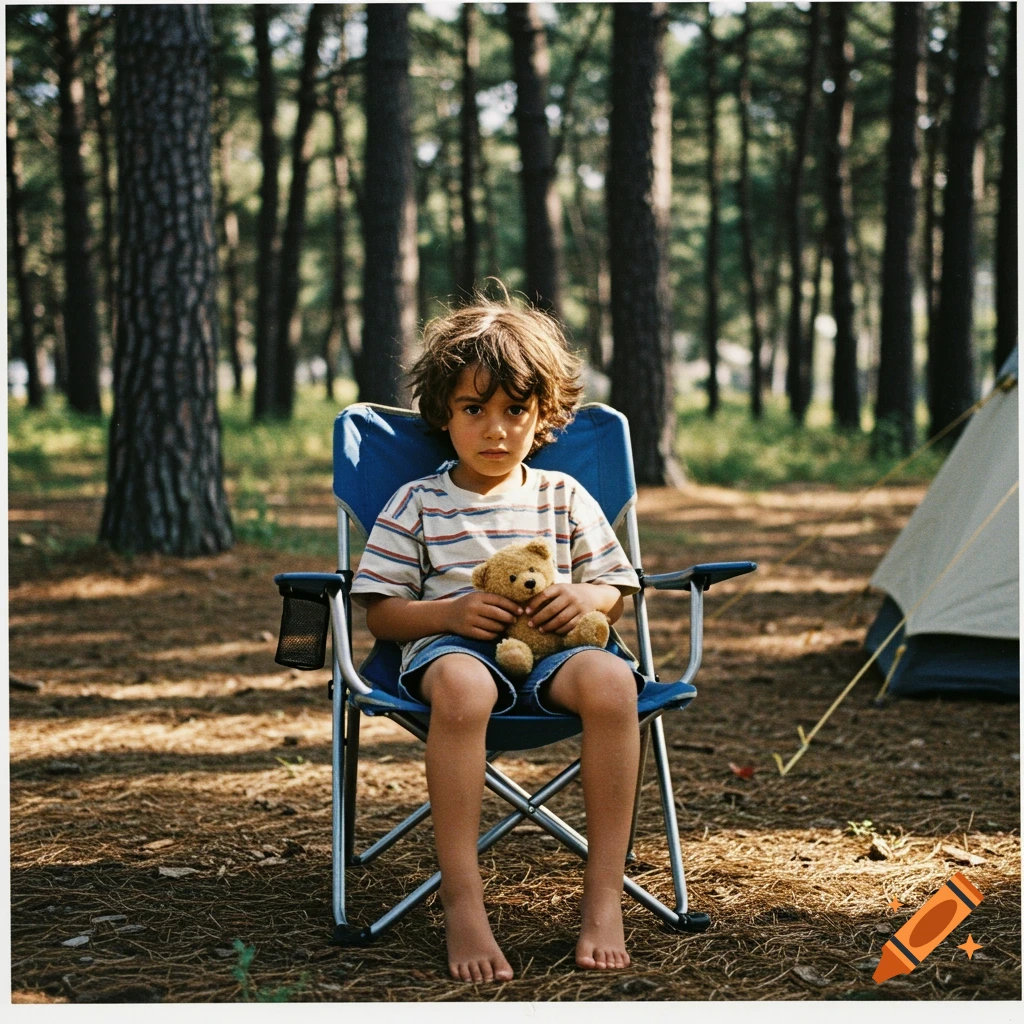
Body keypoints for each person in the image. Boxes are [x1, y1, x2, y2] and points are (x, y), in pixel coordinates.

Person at [350, 297, 645, 983]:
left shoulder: (562, 494)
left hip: (557, 650)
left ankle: (605, 896)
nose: (496, 429)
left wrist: (587, 595)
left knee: (611, 682)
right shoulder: (417, 504)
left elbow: (617, 588)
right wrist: (448, 615)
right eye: (474, 409)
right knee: (463, 684)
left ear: (544, 416)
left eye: (515, 410)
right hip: (450, 652)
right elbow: (382, 615)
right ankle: (463, 901)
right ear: (443, 415)